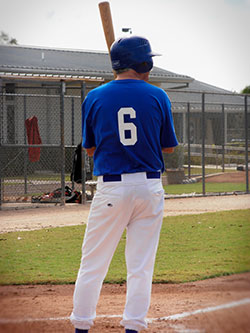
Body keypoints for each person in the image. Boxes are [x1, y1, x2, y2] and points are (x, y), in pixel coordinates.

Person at [70, 35, 178, 333]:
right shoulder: (158, 96)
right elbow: (167, 147)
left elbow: (90, 147)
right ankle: (133, 326)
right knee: (140, 266)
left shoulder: (95, 97)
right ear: (142, 63)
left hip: (111, 188)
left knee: (93, 263)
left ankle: (81, 326)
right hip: (149, 187)